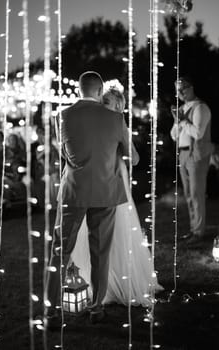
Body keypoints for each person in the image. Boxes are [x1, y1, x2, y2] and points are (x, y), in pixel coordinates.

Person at [46, 72, 131, 325]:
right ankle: (96, 309)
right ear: (99, 91)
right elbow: (132, 157)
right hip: (106, 192)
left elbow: (63, 152)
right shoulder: (116, 118)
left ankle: (50, 314)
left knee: (59, 252)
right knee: (100, 253)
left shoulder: (61, 116)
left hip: (74, 192)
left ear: (80, 89)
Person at [70, 88, 163, 306]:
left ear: (118, 106)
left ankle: (117, 281)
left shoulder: (118, 123)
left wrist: (120, 148)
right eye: (102, 101)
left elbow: (136, 158)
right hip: (93, 186)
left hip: (114, 184)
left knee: (117, 234)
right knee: (91, 235)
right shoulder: (93, 123)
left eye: (107, 102)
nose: (103, 105)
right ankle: (97, 283)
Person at [170, 76, 213, 243]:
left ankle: (199, 232)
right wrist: (177, 122)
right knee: (188, 194)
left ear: (191, 87)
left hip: (197, 154)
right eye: (178, 90)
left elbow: (198, 133)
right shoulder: (182, 109)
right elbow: (174, 135)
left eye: (183, 88)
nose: (180, 93)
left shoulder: (201, 108)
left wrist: (182, 121)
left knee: (196, 194)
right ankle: (193, 229)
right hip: (183, 153)